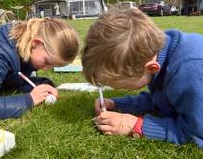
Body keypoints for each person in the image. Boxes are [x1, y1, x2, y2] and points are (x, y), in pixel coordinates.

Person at [81, 8, 203, 147]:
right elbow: (162, 100)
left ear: (151, 68)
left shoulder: (190, 72)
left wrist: (137, 125)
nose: (120, 88)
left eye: (122, 86)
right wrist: (117, 104)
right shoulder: (159, 52)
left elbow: (197, 133)